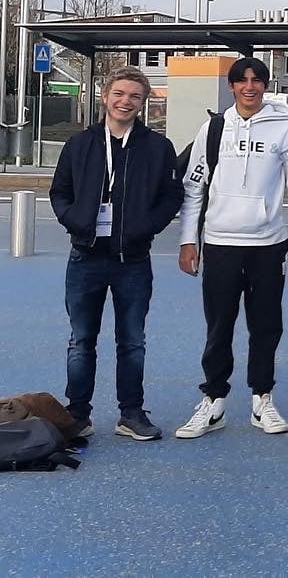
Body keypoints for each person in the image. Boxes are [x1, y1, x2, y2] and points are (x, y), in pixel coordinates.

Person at [175, 57, 288, 439]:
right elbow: (195, 187)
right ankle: (214, 401)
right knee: (219, 326)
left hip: (268, 246)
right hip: (220, 244)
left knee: (266, 326)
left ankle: (262, 400)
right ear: (232, 86)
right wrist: (190, 239)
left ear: (265, 85)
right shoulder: (213, 127)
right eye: (242, 81)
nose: (250, 87)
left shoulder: (285, 129)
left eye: (257, 80)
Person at [51, 67, 183, 442]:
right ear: (106, 96)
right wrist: (75, 220)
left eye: (135, 96)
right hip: (85, 257)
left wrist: (147, 226)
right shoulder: (80, 144)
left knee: (133, 340)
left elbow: (171, 196)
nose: (126, 101)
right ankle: (77, 413)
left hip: (133, 261)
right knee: (81, 340)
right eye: (120, 94)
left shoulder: (158, 147)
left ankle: (131, 413)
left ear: (144, 103)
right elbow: (59, 191)